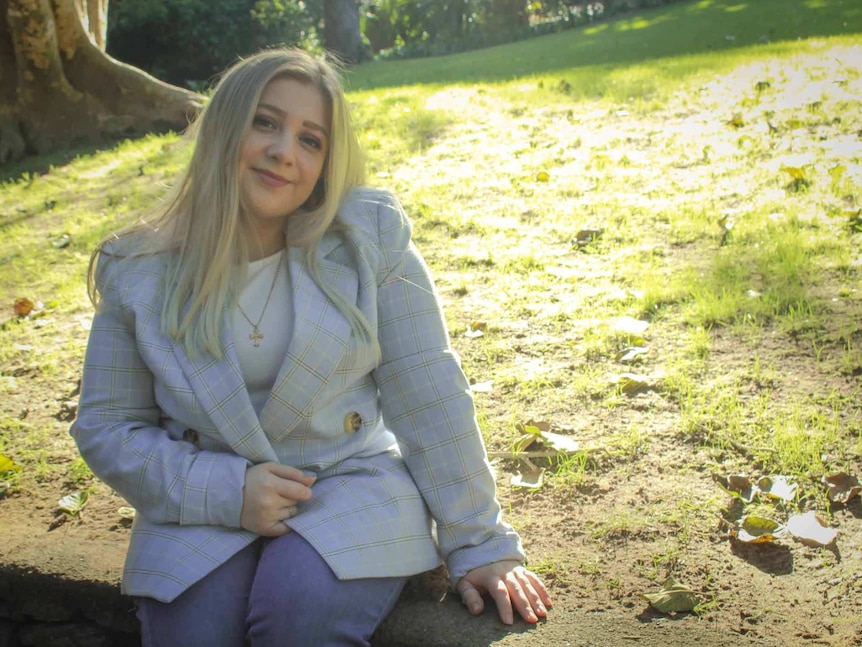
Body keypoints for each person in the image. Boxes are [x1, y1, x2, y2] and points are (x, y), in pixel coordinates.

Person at [71, 47, 551, 646]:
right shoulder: (136, 268)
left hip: (348, 480)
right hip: (201, 492)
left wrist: (479, 542)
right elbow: (109, 425)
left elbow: (426, 388)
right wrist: (225, 492)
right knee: (194, 632)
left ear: (326, 163)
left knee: (297, 612)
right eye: (265, 122)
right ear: (224, 126)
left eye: (310, 140)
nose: (284, 152)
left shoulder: (366, 237)